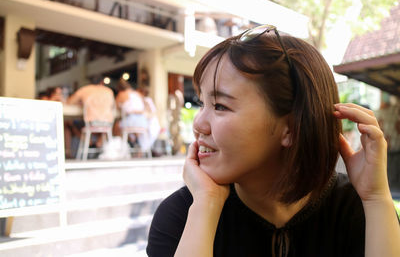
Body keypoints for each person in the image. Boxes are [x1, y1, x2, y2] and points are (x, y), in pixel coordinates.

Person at [146, 25, 400, 257]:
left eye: (220, 106)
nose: (198, 124)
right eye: (202, 104)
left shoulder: (354, 209)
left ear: (290, 128)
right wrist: (206, 204)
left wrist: (376, 198)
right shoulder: (181, 217)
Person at [67, 75, 115, 150]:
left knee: (72, 125)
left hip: (91, 122)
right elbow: (113, 106)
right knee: (107, 128)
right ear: (102, 82)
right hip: (107, 123)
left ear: (90, 82)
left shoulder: (85, 89)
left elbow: (69, 102)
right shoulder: (109, 91)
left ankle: (90, 144)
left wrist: (81, 103)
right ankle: (98, 145)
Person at [115, 79, 149, 150]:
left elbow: (116, 108)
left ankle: (123, 147)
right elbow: (146, 106)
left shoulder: (121, 94)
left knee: (117, 126)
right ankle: (134, 142)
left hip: (131, 121)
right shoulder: (137, 93)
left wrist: (130, 111)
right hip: (143, 121)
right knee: (131, 129)